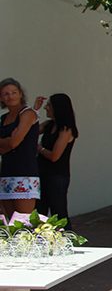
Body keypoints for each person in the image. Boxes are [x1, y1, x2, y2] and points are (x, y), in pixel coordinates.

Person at [34, 93, 78, 228]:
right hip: (42, 173)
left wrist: (39, 148)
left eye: (49, 106)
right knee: (39, 211)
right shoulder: (49, 125)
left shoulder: (65, 130)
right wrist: (34, 110)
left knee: (58, 212)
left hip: (57, 176)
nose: (46, 108)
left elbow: (55, 156)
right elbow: (29, 130)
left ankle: (68, 241)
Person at [0, 78, 40, 220]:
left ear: (20, 94)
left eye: (13, 92)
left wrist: (8, 143)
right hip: (6, 171)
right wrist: (8, 142)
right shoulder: (3, 118)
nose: (10, 96)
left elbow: (14, 142)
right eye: (5, 94)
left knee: (24, 220)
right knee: (10, 221)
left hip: (25, 173)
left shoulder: (27, 113)